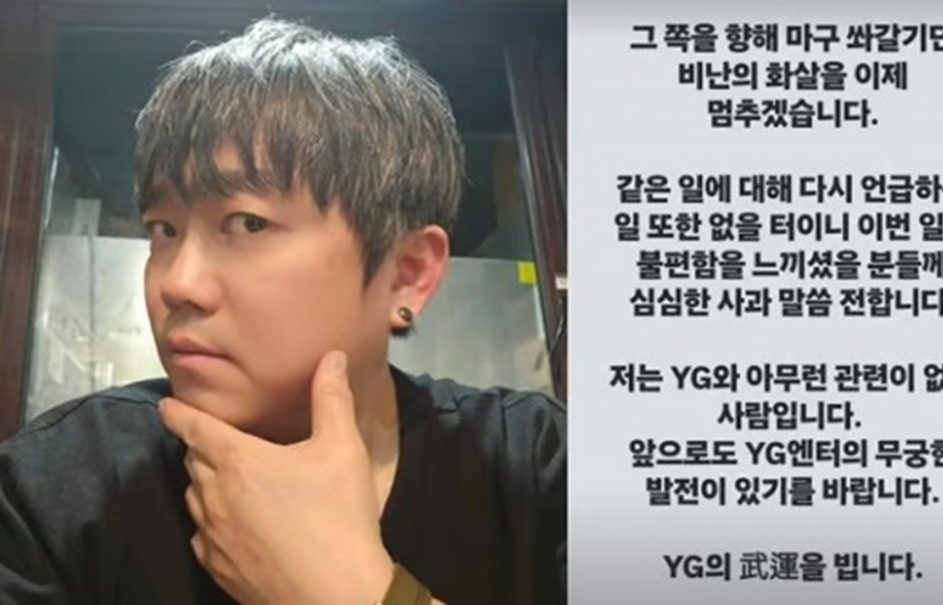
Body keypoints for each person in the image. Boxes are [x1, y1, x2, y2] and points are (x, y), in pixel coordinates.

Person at [0, 17, 566, 605]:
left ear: (407, 273)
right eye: (164, 230)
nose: (178, 284)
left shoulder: (540, 467)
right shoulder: (59, 487)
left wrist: (353, 592)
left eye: (248, 224)